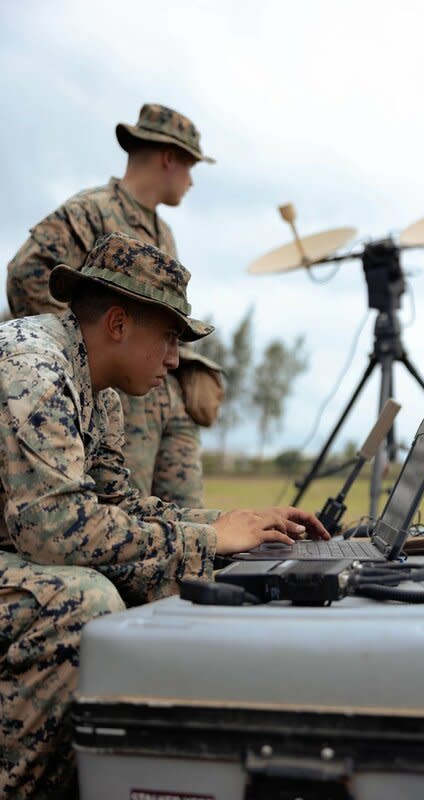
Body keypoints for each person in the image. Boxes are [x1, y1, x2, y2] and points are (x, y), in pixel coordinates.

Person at [0, 232, 329, 799]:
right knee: (82, 599)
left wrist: (233, 526)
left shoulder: (98, 391)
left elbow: (117, 508)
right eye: (171, 337)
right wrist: (205, 542)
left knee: (161, 569)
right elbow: (56, 531)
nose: (177, 360)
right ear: (119, 325)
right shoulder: (34, 369)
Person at [6, 102, 223, 509]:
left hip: (165, 401)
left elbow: (164, 314)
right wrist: (82, 357)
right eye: (191, 167)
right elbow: (26, 273)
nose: (192, 181)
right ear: (169, 158)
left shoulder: (164, 232)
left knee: (185, 525)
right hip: (119, 404)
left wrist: (190, 364)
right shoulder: (92, 210)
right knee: (120, 523)